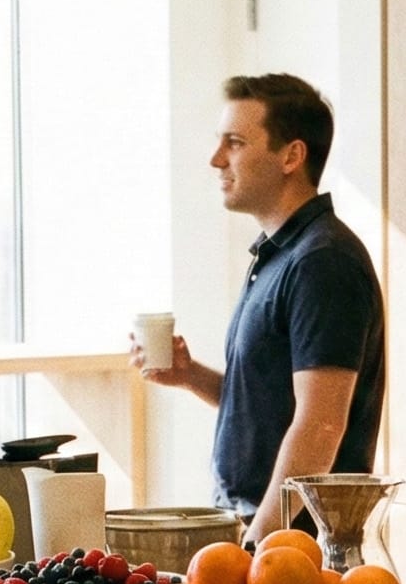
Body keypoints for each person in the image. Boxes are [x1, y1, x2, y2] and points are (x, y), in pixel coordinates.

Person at [132, 74, 383, 544]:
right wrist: (191, 376)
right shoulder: (281, 256)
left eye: (235, 143)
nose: (216, 159)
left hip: (294, 545)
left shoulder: (322, 261)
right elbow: (273, 404)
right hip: (264, 531)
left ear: (291, 156)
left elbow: (320, 424)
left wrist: (258, 542)